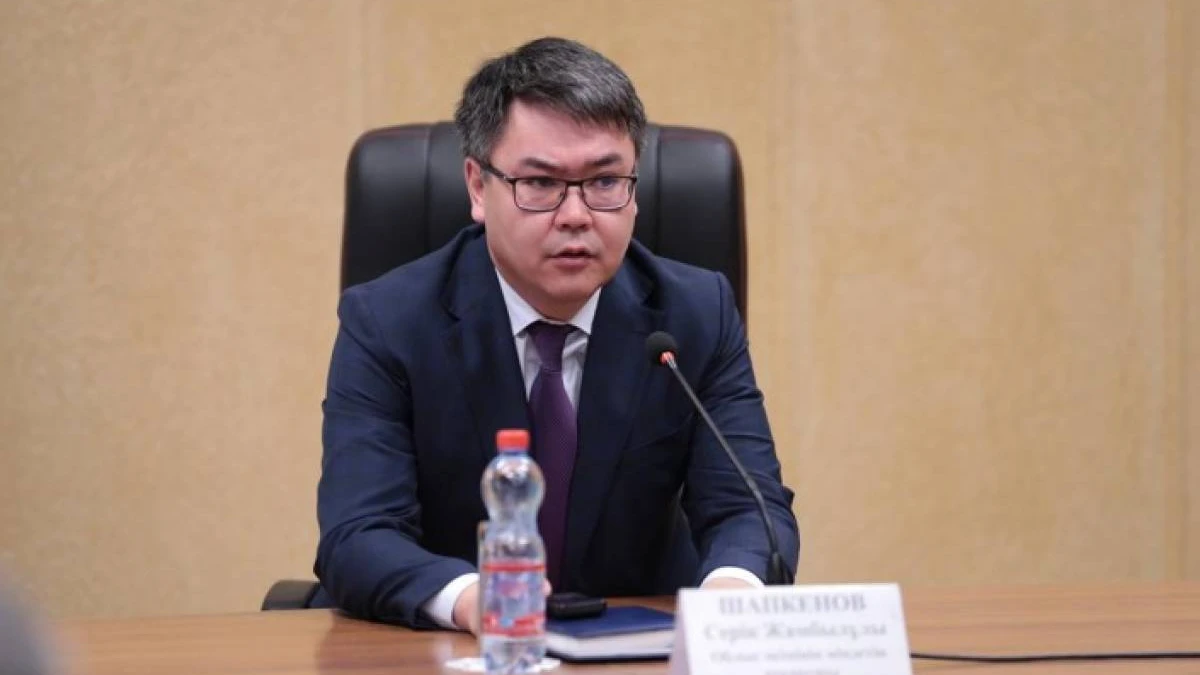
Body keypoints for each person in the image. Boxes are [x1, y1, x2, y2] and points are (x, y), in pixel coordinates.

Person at [314, 36, 799, 632]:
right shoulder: (387, 322)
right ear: (477, 187)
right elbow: (359, 533)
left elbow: (750, 509)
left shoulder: (695, 316)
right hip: (449, 648)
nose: (576, 215)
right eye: (541, 183)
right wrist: (478, 600)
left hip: (639, 645)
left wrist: (730, 598)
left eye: (605, 181)